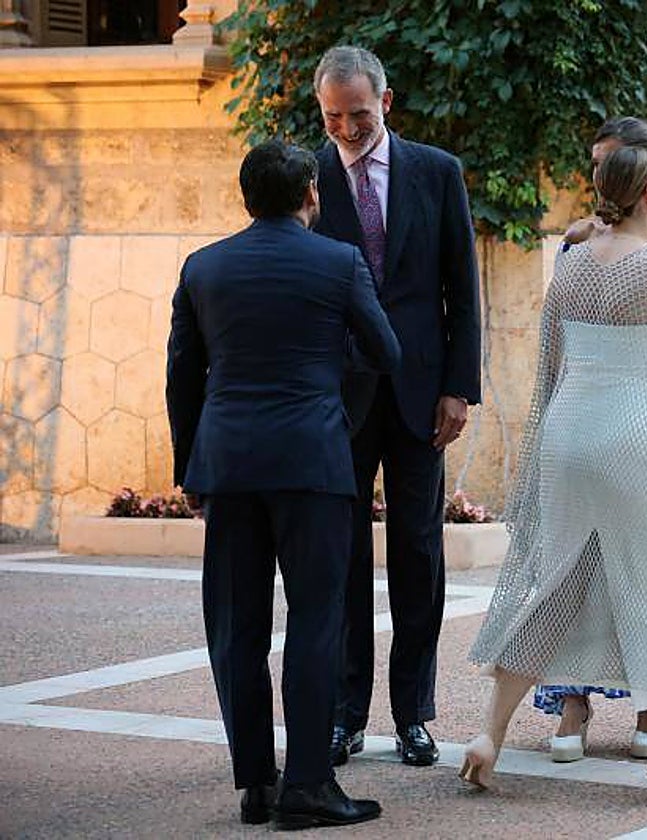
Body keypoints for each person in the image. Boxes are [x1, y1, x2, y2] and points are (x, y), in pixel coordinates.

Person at [460, 145, 647, 800]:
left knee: (556, 585)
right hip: (634, 438)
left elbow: (550, 362)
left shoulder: (570, 265)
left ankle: (490, 734)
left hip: (567, 434)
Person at [166, 140, 401, 828]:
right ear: (309, 194)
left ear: (247, 198)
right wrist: (330, 381)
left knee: (237, 627)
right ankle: (308, 784)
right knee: (316, 622)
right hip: (311, 460)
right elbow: (384, 351)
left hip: (229, 464)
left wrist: (190, 467)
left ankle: (256, 784)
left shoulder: (203, 267)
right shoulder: (339, 262)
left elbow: (182, 375)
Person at [311, 45, 482, 769]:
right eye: (332, 117)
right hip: (337, 397)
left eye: (356, 114)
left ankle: (413, 714)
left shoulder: (437, 172)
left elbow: (461, 287)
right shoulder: (310, 176)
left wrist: (460, 387)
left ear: (385, 102)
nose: (346, 130)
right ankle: (345, 714)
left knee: (418, 553)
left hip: (421, 395)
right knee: (342, 557)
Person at [535, 116, 647, 763]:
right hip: (586, 412)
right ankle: (572, 703)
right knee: (574, 563)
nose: (600, 177)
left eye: (612, 163)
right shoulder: (577, 246)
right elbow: (558, 346)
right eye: (596, 163)